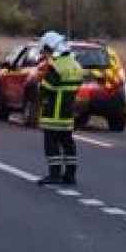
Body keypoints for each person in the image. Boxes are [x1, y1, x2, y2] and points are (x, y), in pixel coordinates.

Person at [34, 31, 85, 186]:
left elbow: (45, 90)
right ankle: (70, 175)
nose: (46, 54)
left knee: (51, 144)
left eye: (46, 51)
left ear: (52, 48)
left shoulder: (56, 67)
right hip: (68, 113)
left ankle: (54, 174)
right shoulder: (76, 65)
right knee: (68, 143)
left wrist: (40, 83)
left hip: (53, 113)